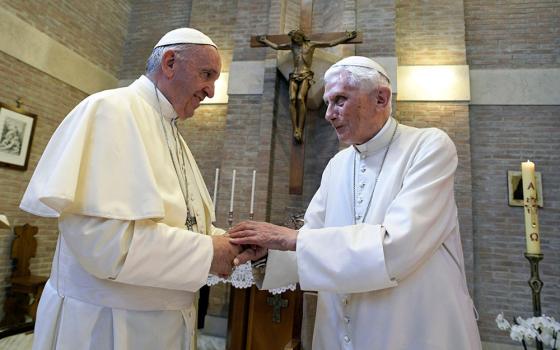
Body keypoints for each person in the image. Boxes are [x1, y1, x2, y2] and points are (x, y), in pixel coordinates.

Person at [230, 56, 482, 349]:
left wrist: (291, 238)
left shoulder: (428, 147)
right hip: (337, 330)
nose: (328, 114)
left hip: (411, 329)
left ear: (381, 98)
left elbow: (397, 246)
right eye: (327, 102)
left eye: (340, 100)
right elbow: (311, 240)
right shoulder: (337, 164)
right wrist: (267, 253)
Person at [20, 28, 243, 350]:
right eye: (206, 75)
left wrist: (232, 242)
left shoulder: (172, 133)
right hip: (106, 326)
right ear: (169, 62)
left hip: (162, 323)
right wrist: (211, 251)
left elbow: (182, 225)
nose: (210, 91)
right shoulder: (111, 110)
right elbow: (105, 245)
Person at [258, 29, 357, 143]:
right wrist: (265, 40)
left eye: (297, 38)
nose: (296, 40)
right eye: (294, 39)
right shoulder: (292, 46)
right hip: (294, 75)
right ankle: (296, 128)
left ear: (302, 36)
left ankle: (300, 127)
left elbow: (330, 43)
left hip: (305, 75)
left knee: (300, 99)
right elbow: (277, 46)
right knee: (292, 99)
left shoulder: (311, 45)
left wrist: (346, 37)